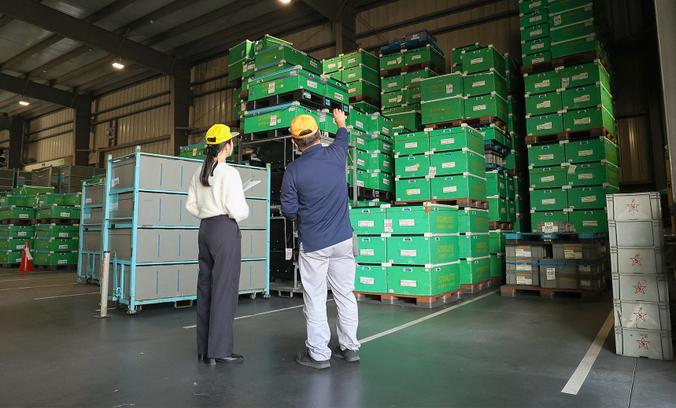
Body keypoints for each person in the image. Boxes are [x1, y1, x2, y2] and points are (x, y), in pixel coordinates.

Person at [281, 109, 360, 370]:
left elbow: (289, 211)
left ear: (294, 143)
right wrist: (340, 122)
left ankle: (319, 354)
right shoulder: (337, 154)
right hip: (343, 240)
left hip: (314, 244)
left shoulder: (293, 171)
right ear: (318, 135)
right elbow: (343, 135)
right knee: (345, 294)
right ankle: (349, 348)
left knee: (315, 298)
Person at [186, 124, 249, 365]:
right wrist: (240, 212)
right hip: (224, 229)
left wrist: (208, 211)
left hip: (205, 230)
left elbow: (190, 205)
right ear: (227, 145)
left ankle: (204, 350)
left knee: (206, 288)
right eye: (231, 141)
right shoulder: (229, 172)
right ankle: (220, 350)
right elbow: (238, 209)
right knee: (224, 289)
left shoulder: (198, 172)